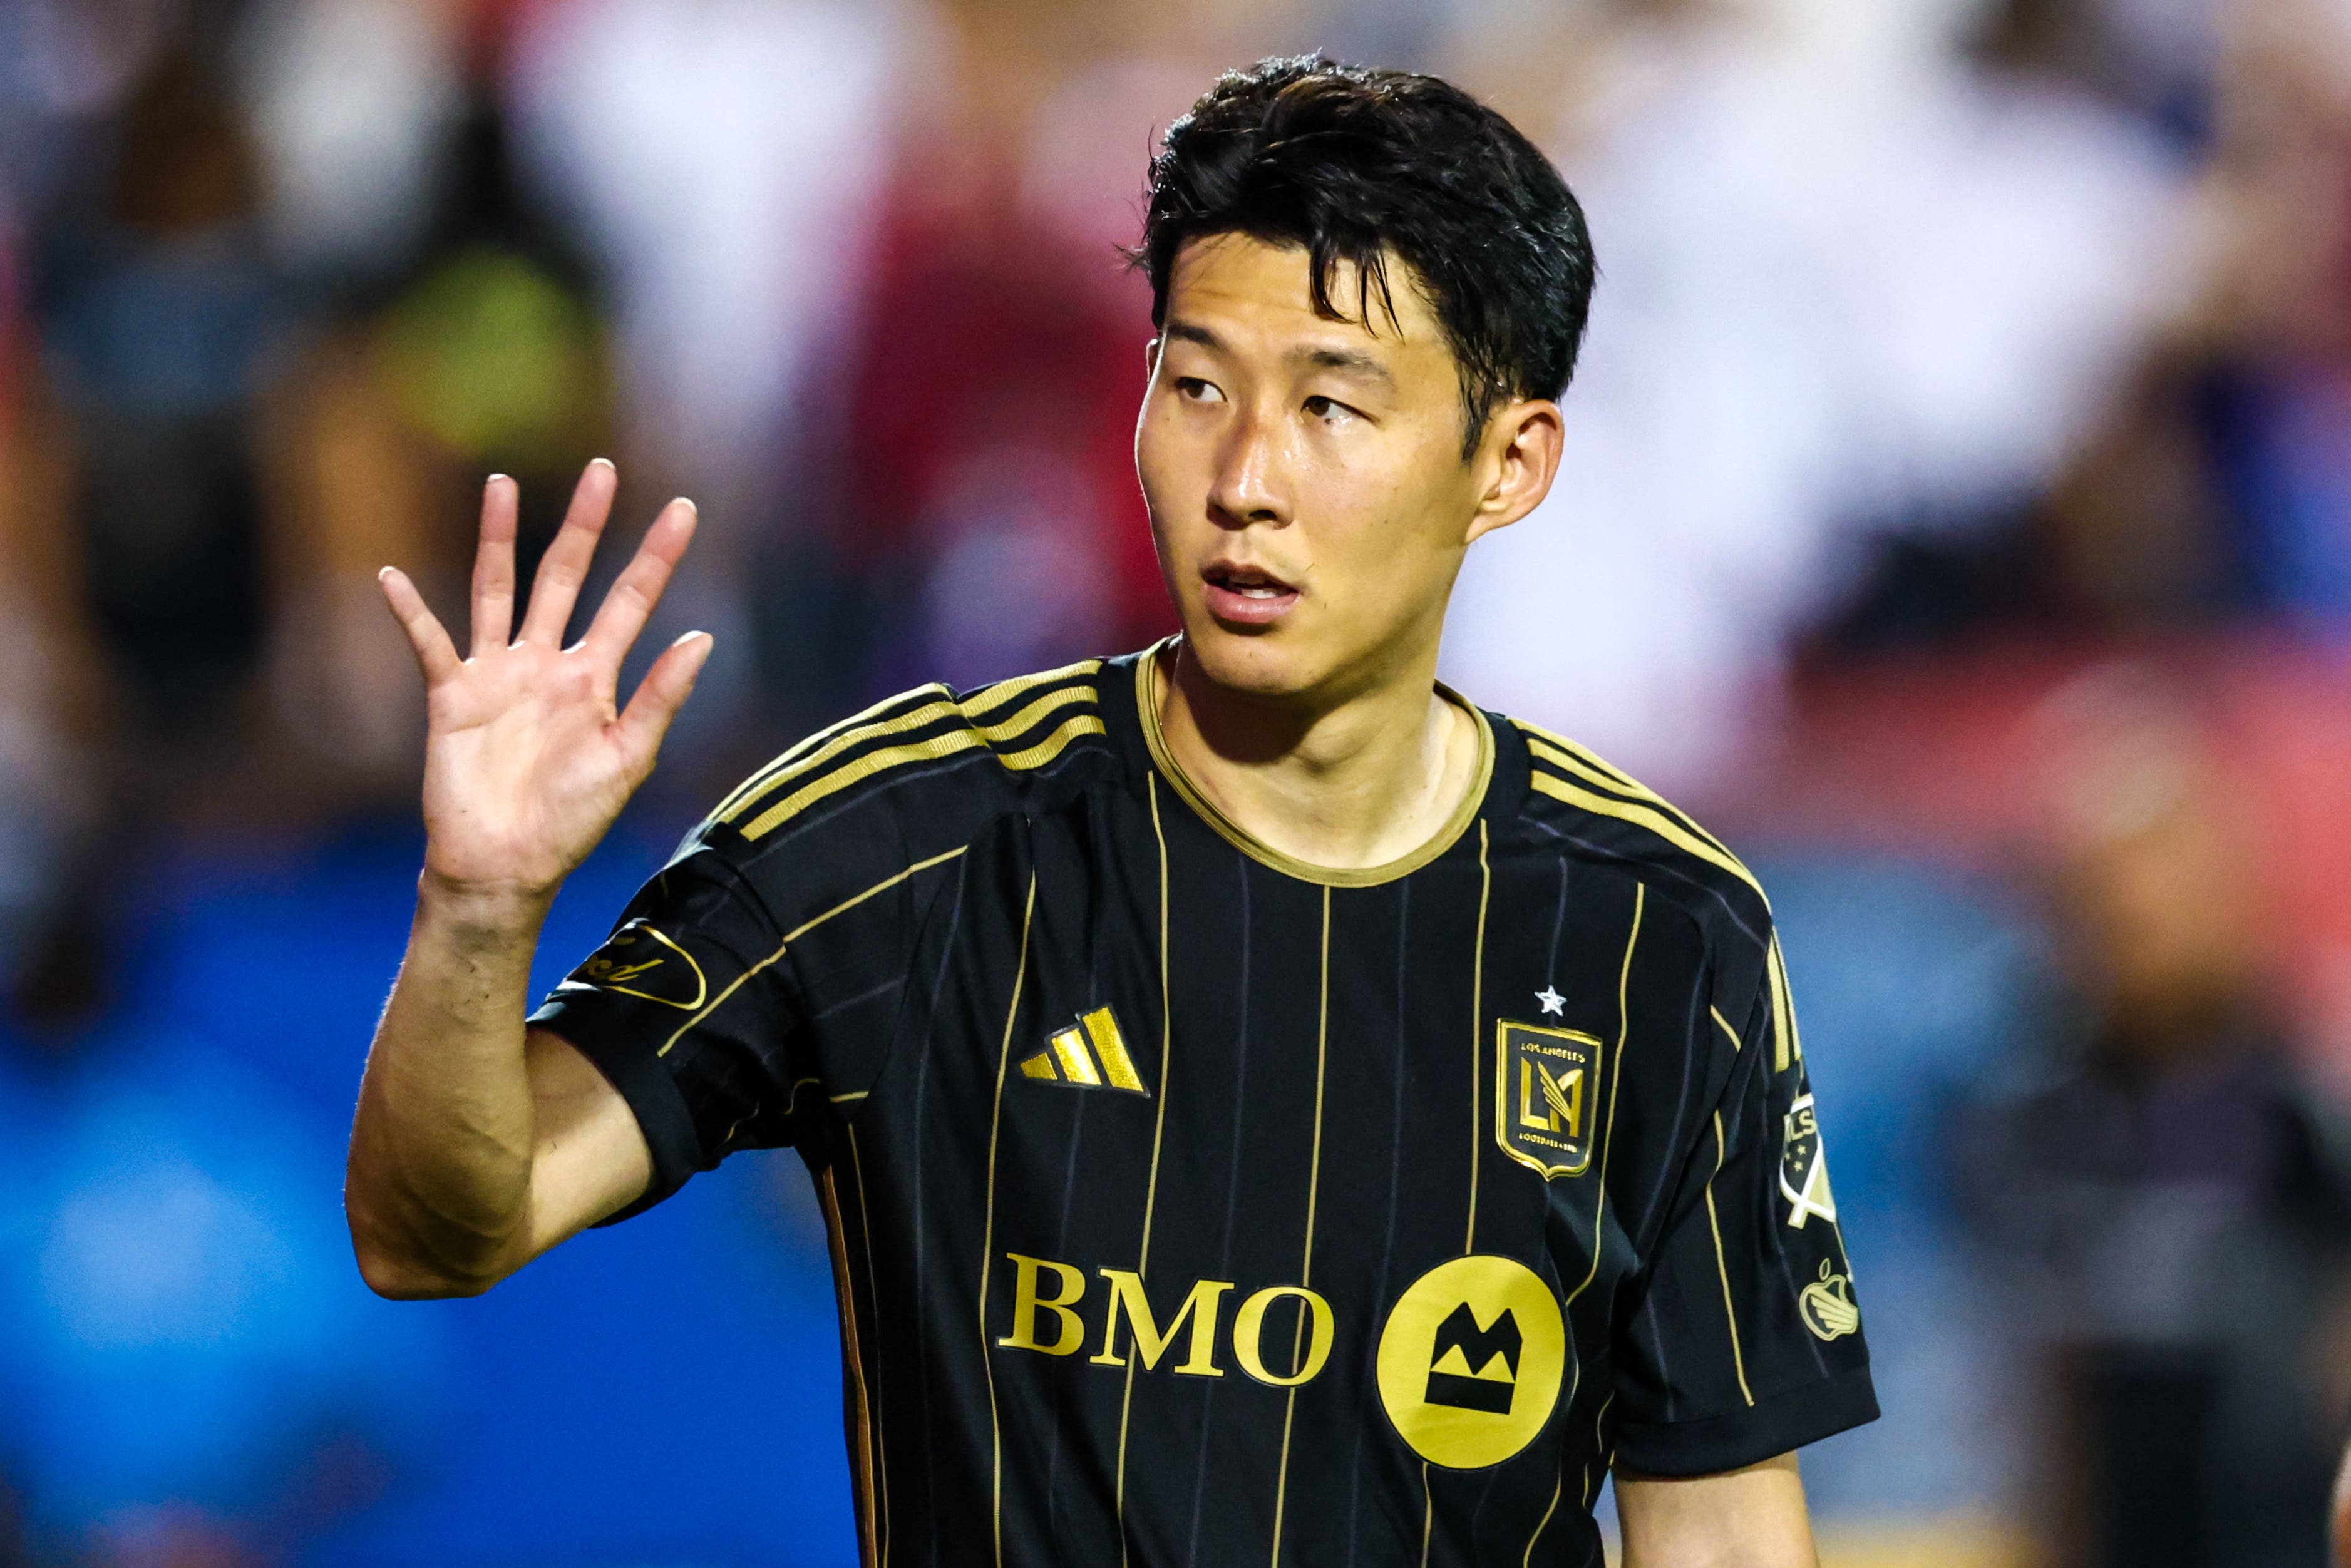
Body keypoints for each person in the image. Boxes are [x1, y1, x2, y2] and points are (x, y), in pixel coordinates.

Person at [346, 56, 1874, 1566]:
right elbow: (435, 1228)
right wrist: (475, 912)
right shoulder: (896, 844)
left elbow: (1723, 1523)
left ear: (1509, 461)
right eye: (1197, 384)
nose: (1246, 477)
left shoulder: (1657, 936)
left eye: (1335, 405)